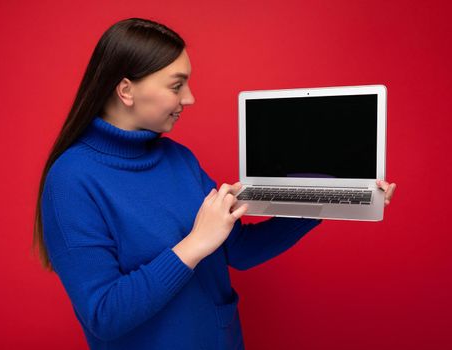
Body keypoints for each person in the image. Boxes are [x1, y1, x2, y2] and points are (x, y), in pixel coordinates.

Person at [33, 17, 397, 350]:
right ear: (126, 91)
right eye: (177, 86)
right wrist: (194, 244)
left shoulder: (179, 158)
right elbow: (104, 315)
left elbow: (238, 251)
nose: (189, 98)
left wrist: (326, 202)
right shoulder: (71, 181)